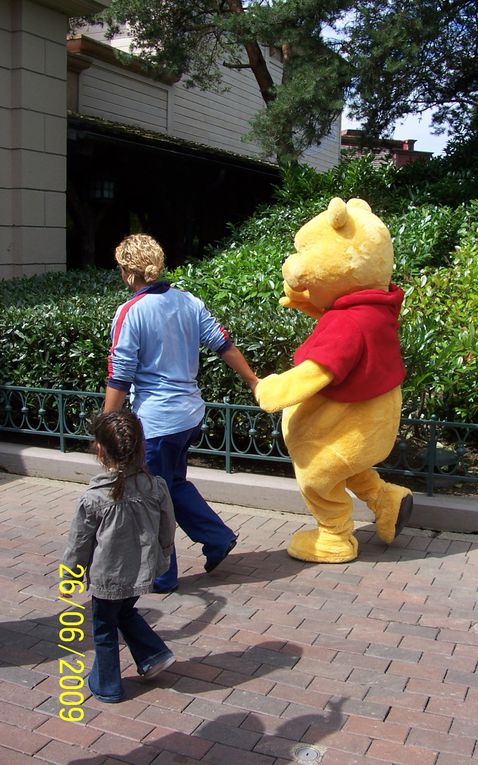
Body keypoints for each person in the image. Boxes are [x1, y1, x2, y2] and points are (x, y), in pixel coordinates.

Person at [104, 233, 259, 592]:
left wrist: (106, 427)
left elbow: (120, 374)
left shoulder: (130, 311)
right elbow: (223, 343)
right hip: (189, 417)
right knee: (171, 485)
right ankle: (217, 537)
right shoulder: (188, 301)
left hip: (156, 423)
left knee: (151, 497)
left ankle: (163, 574)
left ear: (129, 273)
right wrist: (253, 380)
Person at [61, 411, 177, 703]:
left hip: (108, 578)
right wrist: (162, 559)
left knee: (103, 628)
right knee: (124, 612)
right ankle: (153, 654)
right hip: (143, 572)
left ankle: (107, 685)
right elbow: (168, 527)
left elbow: (79, 545)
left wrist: (69, 577)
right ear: (141, 447)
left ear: (99, 450)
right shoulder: (156, 486)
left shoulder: (94, 498)